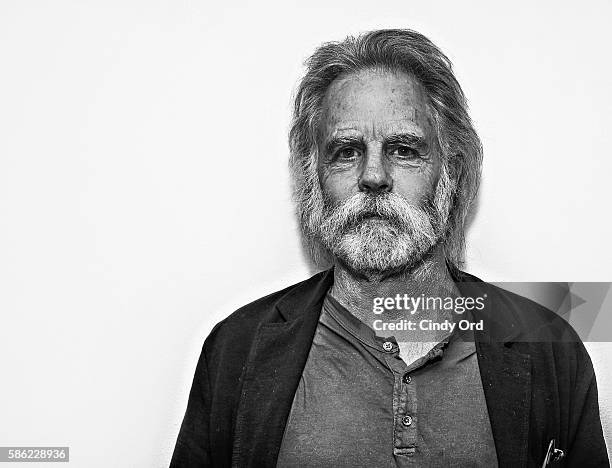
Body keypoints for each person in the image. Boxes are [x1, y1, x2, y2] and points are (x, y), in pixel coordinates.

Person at [170, 29, 608, 467]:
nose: (374, 176)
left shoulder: (550, 346)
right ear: (312, 178)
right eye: (345, 151)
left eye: (404, 150)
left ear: (450, 173)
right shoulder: (237, 350)